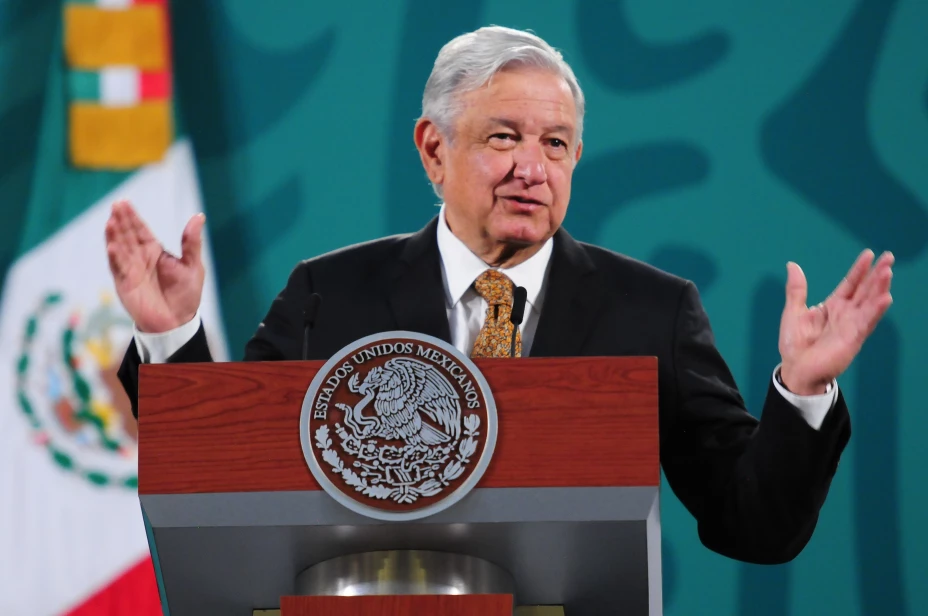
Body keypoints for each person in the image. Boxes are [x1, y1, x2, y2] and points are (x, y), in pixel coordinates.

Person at [106, 26, 894, 565]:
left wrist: (804, 388)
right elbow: (228, 483)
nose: (533, 168)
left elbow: (752, 526)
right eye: (503, 137)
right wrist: (176, 336)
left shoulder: (650, 310)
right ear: (432, 150)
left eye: (555, 144)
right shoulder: (329, 293)